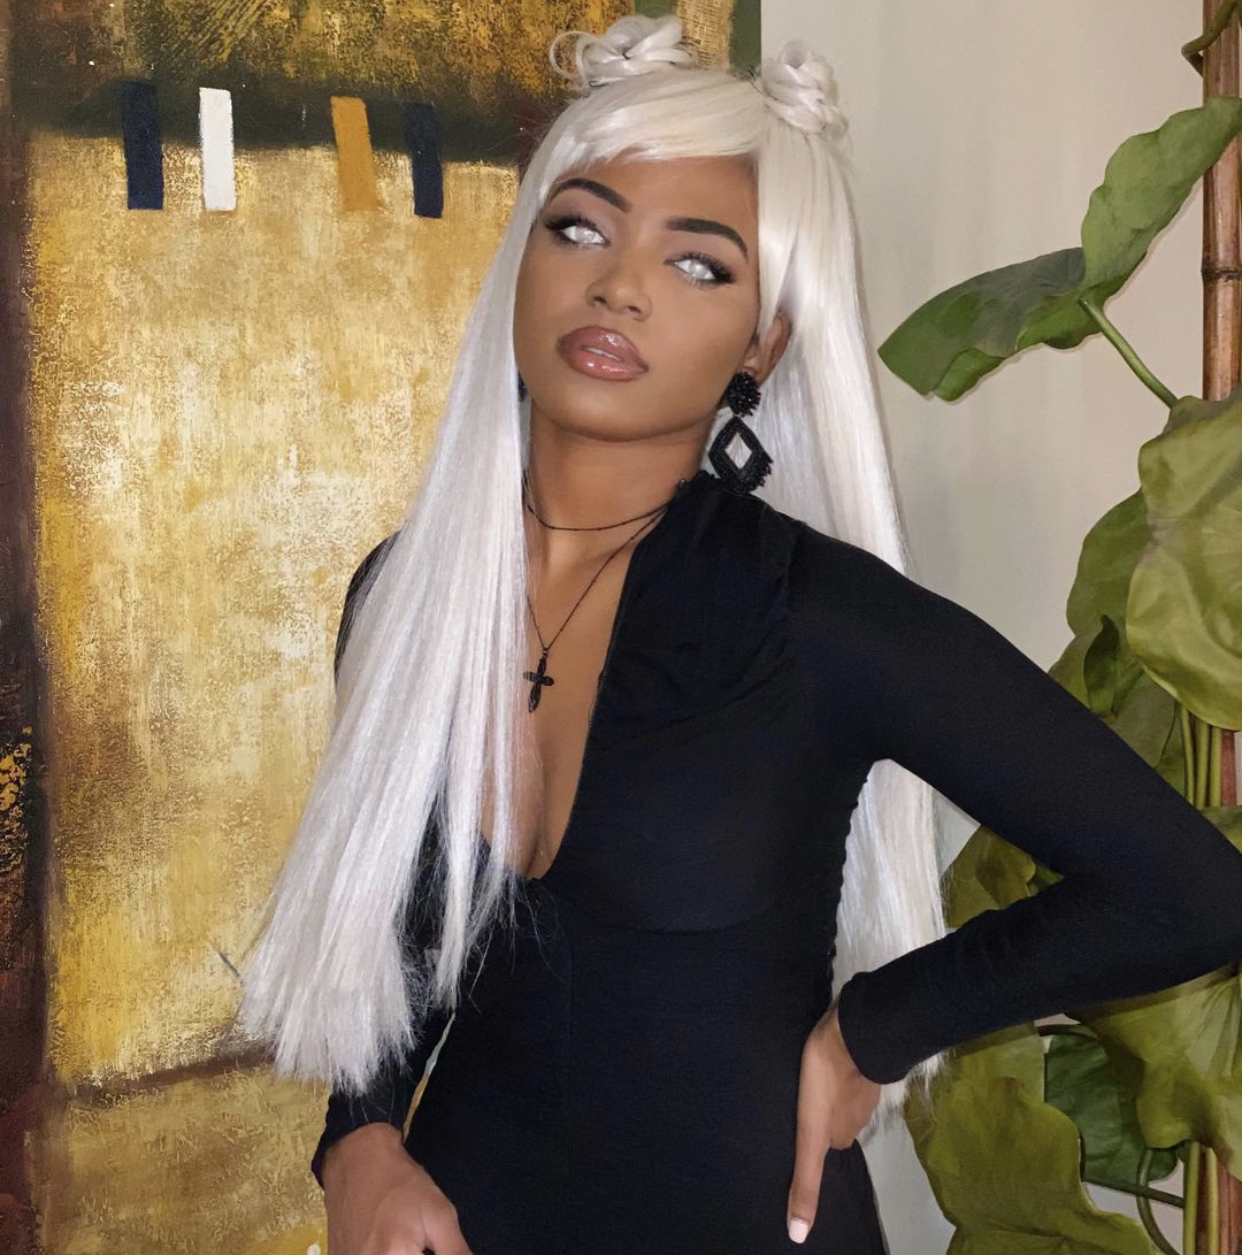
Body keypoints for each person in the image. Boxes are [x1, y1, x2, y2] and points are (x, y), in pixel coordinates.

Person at [236, 15, 1242, 1254]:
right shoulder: (403, 593)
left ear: (764, 341)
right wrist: (358, 1137)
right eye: (581, 227)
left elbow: (1189, 890)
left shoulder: (820, 619)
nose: (620, 284)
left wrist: (878, 1025)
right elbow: (400, 930)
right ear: (522, 258)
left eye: (699, 264)